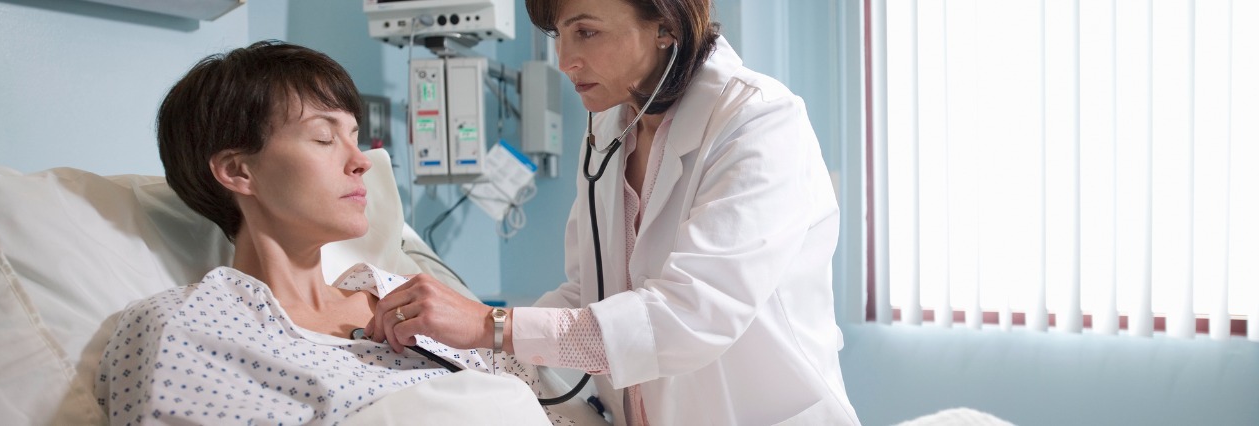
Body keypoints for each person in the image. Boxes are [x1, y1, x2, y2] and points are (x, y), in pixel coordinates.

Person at [362, 0, 862, 424]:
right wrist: (471, 350)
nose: (566, 60)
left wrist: (492, 325)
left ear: (667, 25)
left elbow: (693, 315)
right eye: (560, 35)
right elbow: (588, 291)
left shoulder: (758, 120)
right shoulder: (608, 129)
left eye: (586, 32)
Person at [93, 40, 576, 425]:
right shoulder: (185, 327)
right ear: (239, 171)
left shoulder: (415, 303)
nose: (361, 161)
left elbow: (549, 410)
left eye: (355, 136)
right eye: (324, 138)